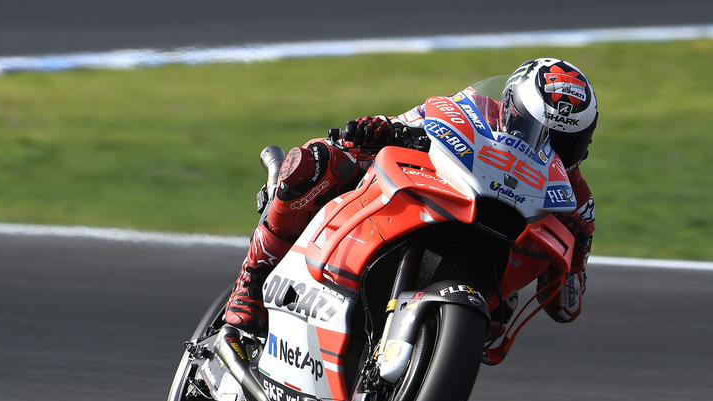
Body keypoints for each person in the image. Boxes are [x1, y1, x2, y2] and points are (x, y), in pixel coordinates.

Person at [224, 57, 597, 340]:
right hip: (433, 201)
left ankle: (426, 371)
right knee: (314, 162)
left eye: (564, 144)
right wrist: (381, 130)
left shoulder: (576, 201)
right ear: (512, 108)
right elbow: (401, 124)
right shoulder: (472, 111)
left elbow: (566, 308)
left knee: (498, 319)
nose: (549, 149)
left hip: (484, 284)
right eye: (540, 131)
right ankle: (252, 282)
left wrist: (572, 256)